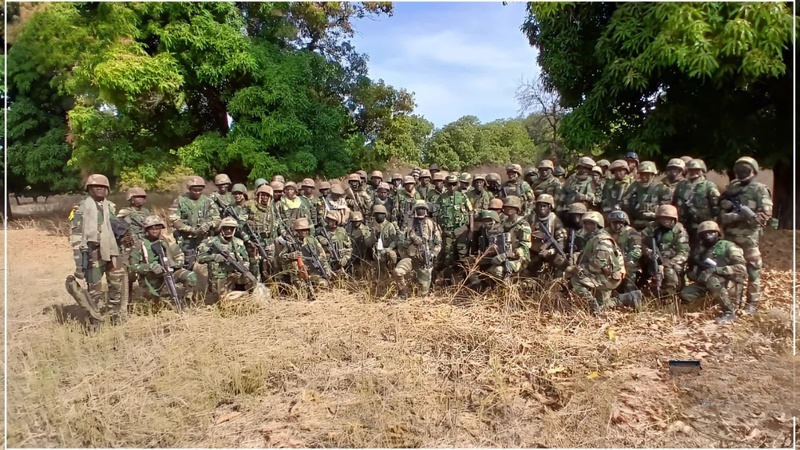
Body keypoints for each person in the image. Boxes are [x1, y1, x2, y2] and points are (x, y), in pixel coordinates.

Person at [68, 174, 126, 324]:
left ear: (107, 190)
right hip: (92, 253)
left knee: (116, 284)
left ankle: (115, 315)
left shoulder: (111, 207)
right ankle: (96, 318)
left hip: (113, 251)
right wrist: (79, 260)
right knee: (95, 289)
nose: (99, 189)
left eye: (103, 187)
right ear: (89, 189)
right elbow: (76, 235)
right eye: (95, 186)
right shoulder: (81, 209)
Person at [718, 156, 773, 314]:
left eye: (745, 169)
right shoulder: (733, 186)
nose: (741, 172)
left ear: (753, 171)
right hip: (729, 237)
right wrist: (724, 211)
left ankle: (752, 304)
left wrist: (737, 216)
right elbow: (721, 204)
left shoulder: (760, 189)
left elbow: (764, 216)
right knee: (731, 269)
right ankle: (732, 302)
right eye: (739, 169)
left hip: (748, 238)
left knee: (753, 270)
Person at [680, 221, 747, 324]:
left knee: (712, 280)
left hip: (729, 283)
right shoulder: (699, 250)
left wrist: (716, 270)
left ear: (718, 234)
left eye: (711, 233)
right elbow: (694, 274)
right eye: (704, 233)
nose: (708, 236)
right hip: (706, 284)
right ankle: (711, 304)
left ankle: (729, 312)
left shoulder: (728, 246)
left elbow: (741, 268)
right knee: (686, 294)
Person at [566, 211, 626, 315]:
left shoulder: (603, 240)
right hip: (605, 274)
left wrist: (578, 269)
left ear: (598, 225)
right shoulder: (593, 237)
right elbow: (589, 254)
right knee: (603, 306)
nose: (587, 226)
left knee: (575, 279)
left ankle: (591, 304)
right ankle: (630, 298)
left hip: (609, 277)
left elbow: (598, 264)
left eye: (591, 223)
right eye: (585, 223)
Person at [129, 215, 198, 305]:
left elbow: (179, 256)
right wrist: (150, 267)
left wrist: (174, 264)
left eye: (158, 228)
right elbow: (132, 267)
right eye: (152, 228)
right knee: (153, 303)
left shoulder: (167, 241)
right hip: (150, 279)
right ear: (146, 230)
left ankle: (187, 303)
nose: (155, 231)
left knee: (191, 276)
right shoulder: (139, 244)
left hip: (169, 273)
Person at [168, 176, 220, 273]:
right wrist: (190, 229)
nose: (197, 192)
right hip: (186, 237)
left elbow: (217, 218)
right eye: (194, 190)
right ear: (189, 189)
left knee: (209, 259)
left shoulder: (208, 201)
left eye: (200, 190)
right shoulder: (180, 200)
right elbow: (173, 219)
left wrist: (209, 225)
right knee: (186, 262)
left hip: (204, 237)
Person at [197, 217, 255, 301]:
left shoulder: (239, 243)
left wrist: (243, 267)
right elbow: (200, 258)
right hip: (219, 276)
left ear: (235, 230)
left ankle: (244, 294)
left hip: (235, 274)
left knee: (251, 280)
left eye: (231, 229)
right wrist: (214, 257)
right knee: (221, 300)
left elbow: (246, 259)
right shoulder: (211, 242)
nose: (229, 231)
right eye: (226, 228)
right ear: (221, 229)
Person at [393, 201, 442, 300]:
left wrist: (433, 254)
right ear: (415, 210)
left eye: (423, 209)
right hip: (410, 259)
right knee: (398, 272)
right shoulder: (408, 224)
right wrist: (411, 240)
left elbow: (438, 243)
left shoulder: (431, 224)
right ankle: (403, 294)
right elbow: (400, 243)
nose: (421, 211)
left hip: (425, 262)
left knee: (422, 295)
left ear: (426, 210)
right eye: (418, 208)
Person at [640, 205, 690, 297]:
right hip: (653, 259)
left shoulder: (679, 231)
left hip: (672, 262)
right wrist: (648, 252)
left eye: (668, 219)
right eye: (663, 219)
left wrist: (665, 265)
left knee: (669, 274)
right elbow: (641, 241)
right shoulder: (652, 227)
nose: (666, 222)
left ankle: (668, 297)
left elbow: (683, 253)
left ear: (674, 219)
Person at [622, 161, 661, 230]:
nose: (644, 176)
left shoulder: (661, 187)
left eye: (647, 174)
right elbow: (625, 200)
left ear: (653, 174)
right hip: (637, 221)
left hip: (656, 222)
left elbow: (667, 205)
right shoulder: (635, 185)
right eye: (642, 174)